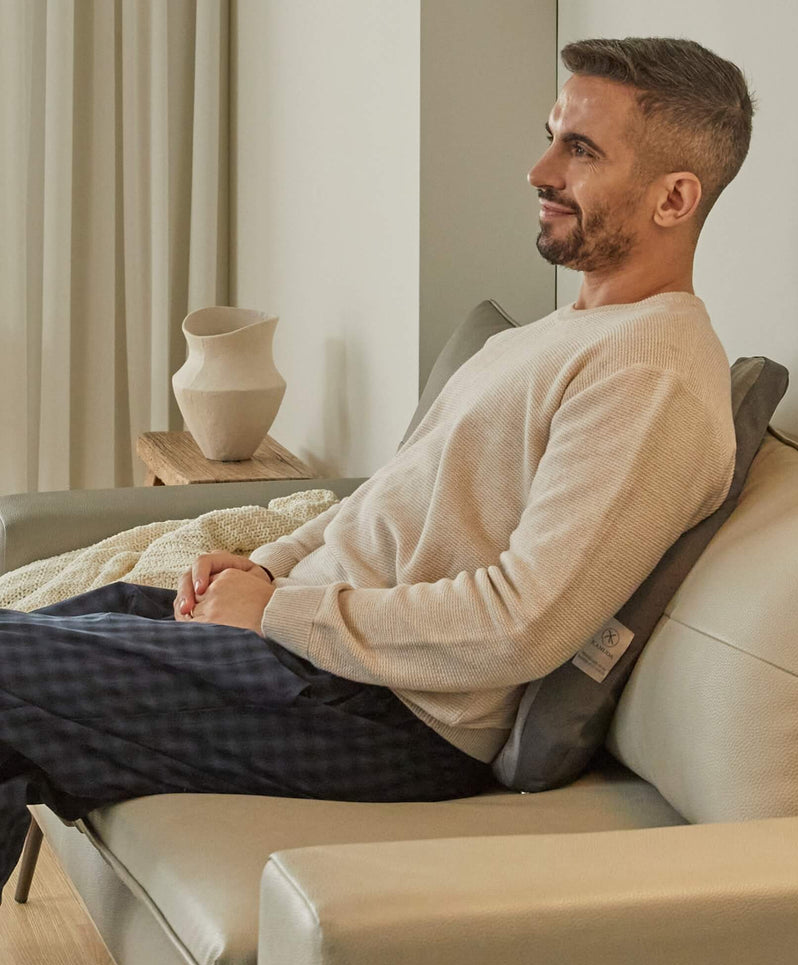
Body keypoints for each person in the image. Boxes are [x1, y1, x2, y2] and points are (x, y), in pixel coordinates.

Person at [0, 36, 754, 899]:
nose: (539, 168)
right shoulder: (554, 335)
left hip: (388, 714)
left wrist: (278, 611)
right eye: (551, 135)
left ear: (675, 198)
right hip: (315, 656)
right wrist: (264, 567)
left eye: (579, 150)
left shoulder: (650, 375)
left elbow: (523, 623)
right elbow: (392, 494)